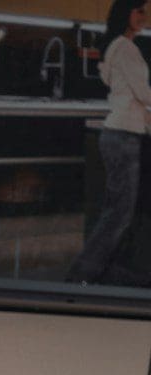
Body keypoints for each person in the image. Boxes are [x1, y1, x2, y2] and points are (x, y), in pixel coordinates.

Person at [73, 0, 151, 285]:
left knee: (119, 212)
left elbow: (129, 99)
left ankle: (101, 272)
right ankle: (80, 275)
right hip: (123, 139)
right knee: (118, 214)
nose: (144, 16)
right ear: (125, 13)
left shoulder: (115, 46)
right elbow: (144, 94)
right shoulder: (127, 48)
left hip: (119, 135)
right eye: (139, 10)